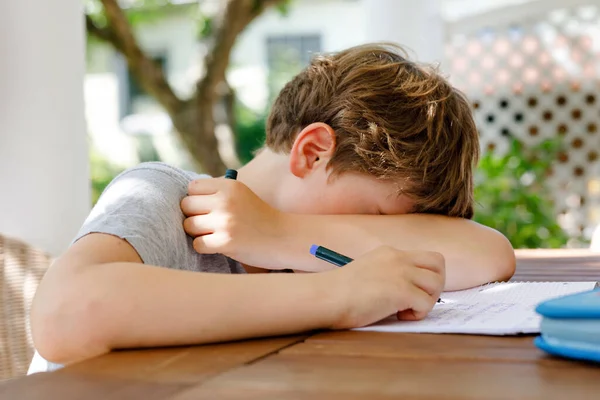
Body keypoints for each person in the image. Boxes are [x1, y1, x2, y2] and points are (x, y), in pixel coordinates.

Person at [29, 43, 515, 373]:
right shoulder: (164, 197)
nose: (382, 245)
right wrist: (340, 293)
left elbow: (489, 253)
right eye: (379, 220)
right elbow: (66, 315)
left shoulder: (299, 252)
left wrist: (281, 233)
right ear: (313, 152)